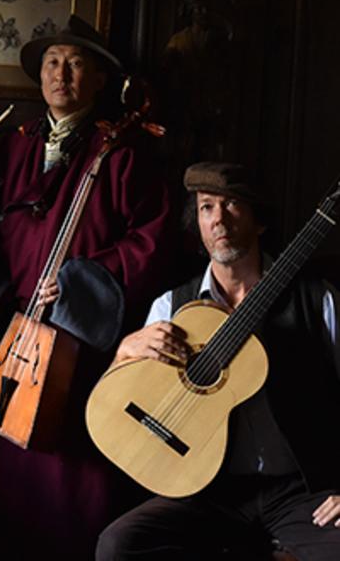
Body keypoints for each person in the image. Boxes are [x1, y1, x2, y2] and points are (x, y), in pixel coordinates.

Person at [0, 16, 173, 560]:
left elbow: (150, 242)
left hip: (84, 331)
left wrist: (77, 280)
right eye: (52, 62)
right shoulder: (18, 145)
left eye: (75, 64)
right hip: (22, 332)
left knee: (75, 468)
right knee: (17, 459)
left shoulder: (120, 150)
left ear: (98, 80)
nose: (60, 74)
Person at [96, 161, 340, 561]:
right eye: (206, 207)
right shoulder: (171, 306)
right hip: (207, 493)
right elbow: (114, 403)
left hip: (299, 489)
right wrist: (124, 352)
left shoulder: (318, 300)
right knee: (118, 545)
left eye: (232, 204)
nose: (218, 220)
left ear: (260, 221)